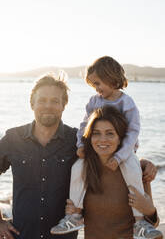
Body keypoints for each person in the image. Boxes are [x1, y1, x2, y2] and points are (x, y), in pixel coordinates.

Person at [51, 56, 160, 237]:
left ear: (111, 78)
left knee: (131, 166)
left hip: (125, 153)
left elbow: (133, 132)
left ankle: (139, 224)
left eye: (110, 133)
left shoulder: (127, 103)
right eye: (97, 133)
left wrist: (120, 157)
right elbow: (85, 124)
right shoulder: (94, 102)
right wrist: (80, 145)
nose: (97, 89)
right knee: (77, 166)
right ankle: (75, 217)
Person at [0, 74, 79, 239]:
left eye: (55, 101)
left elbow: (105, 168)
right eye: (42, 100)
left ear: (64, 105)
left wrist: (142, 164)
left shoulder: (76, 140)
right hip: (22, 235)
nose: (48, 106)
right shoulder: (13, 138)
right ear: (32, 104)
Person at [65, 106, 162, 239]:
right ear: (89, 137)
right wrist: (71, 211)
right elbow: (75, 217)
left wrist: (150, 210)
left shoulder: (134, 172)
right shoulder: (82, 173)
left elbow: (153, 227)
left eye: (110, 133)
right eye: (96, 133)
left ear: (120, 138)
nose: (102, 139)